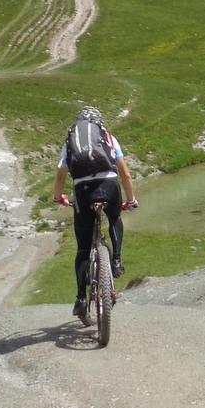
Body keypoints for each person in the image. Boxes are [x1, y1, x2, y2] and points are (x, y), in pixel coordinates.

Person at [53, 105, 137, 321]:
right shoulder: (107, 136)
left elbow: (61, 173)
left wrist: (59, 196)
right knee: (115, 217)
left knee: (82, 249)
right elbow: (125, 174)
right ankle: (116, 260)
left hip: (82, 189)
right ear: (99, 122)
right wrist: (130, 199)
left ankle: (81, 299)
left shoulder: (71, 139)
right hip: (109, 183)